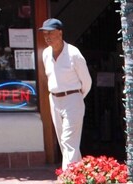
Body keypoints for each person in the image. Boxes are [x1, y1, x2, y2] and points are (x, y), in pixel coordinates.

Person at [38, 18, 92, 170]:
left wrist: (76, 98)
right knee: (65, 142)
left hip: (73, 98)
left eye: (50, 33)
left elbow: (86, 81)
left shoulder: (74, 54)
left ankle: (67, 178)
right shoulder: (46, 54)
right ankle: (78, 173)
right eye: (45, 34)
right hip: (54, 100)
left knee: (68, 140)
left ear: (60, 33)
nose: (47, 37)